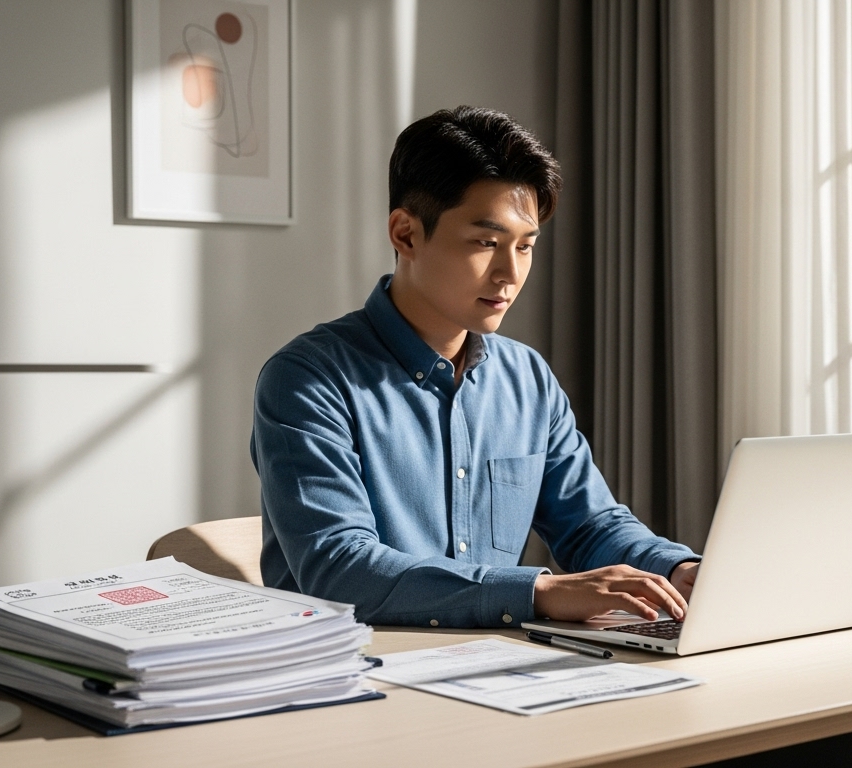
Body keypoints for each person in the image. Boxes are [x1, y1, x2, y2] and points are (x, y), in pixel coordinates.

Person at [251, 106, 700, 628]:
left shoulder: (527, 379)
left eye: (525, 246)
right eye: (486, 243)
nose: (510, 273)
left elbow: (589, 527)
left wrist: (677, 569)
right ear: (406, 234)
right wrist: (538, 591)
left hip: (495, 670)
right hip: (352, 675)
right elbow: (340, 569)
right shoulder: (308, 380)